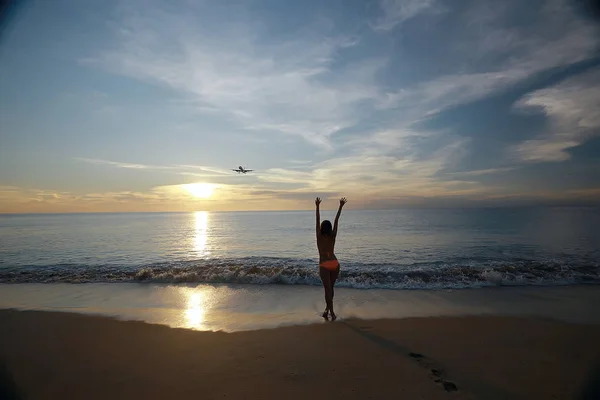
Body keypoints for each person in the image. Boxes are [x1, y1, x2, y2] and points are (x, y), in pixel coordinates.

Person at [315, 196, 347, 321]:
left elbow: (317, 220)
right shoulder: (333, 235)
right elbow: (336, 220)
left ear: (322, 228)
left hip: (324, 264)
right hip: (334, 263)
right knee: (330, 289)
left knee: (327, 290)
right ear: (330, 229)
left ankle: (332, 313)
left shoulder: (319, 236)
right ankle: (327, 310)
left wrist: (317, 206)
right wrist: (340, 206)